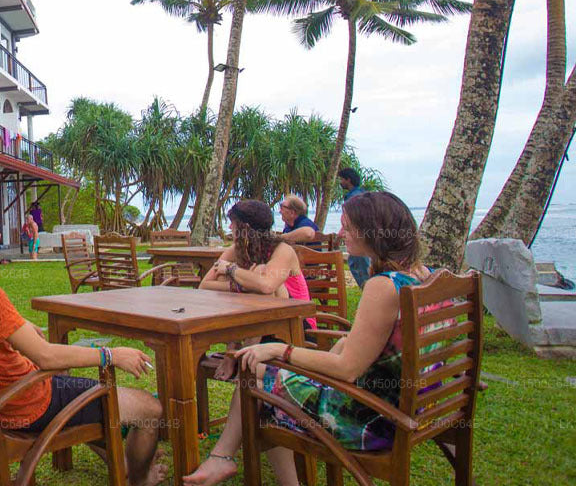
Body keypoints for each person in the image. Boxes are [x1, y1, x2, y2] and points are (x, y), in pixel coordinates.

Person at [184, 192, 436, 486]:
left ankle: (224, 458)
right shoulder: (422, 276)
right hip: (413, 407)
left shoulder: (383, 286)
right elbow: (364, 349)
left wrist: (281, 350)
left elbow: (347, 369)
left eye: (347, 227)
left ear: (372, 231)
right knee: (260, 374)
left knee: (256, 382)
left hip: (373, 419)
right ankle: (223, 458)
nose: (340, 234)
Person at [0, 201, 167, 485]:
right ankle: (140, 479)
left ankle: (123, 463)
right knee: (149, 408)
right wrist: (112, 355)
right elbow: (46, 357)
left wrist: (18, 324)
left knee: (76, 389)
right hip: (23, 405)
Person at [200, 200, 318, 382]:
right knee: (230, 276)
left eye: (233, 223)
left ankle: (236, 355)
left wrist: (232, 270)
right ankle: (237, 352)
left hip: (292, 323)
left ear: (245, 228)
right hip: (255, 325)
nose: (230, 227)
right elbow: (204, 285)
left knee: (259, 273)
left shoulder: (282, 250)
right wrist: (239, 284)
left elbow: (267, 286)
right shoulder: (237, 250)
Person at [338, 168, 370, 286]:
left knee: (360, 267)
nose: (340, 182)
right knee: (358, 265)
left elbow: (353, 218)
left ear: (348, 180)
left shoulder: (354, 197)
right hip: (362, 236)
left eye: (342, 179)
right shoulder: (361, 194)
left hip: (358, 237)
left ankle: (368, 291)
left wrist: (344, 231)